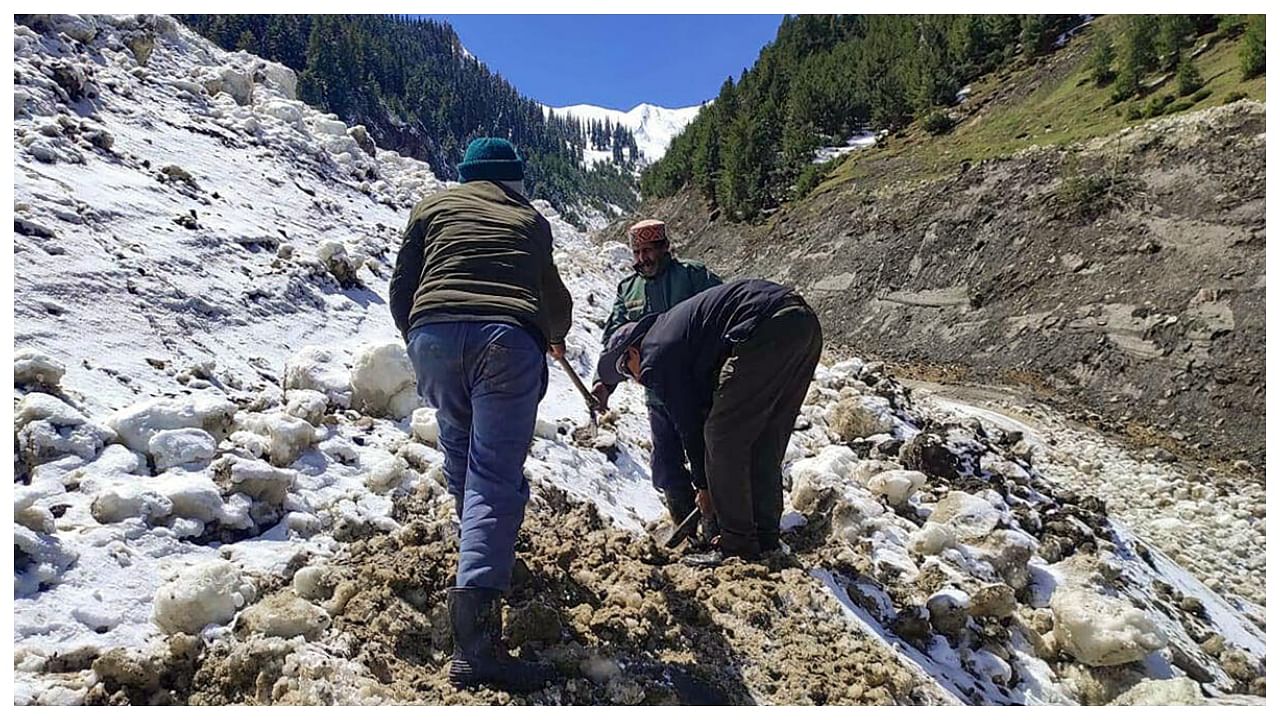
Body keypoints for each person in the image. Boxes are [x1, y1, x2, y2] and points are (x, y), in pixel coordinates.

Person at [390, 137, 570, 691]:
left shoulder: (432, 206)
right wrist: (554, 338)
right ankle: (477, 645)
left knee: (460, 453)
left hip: (433, 335)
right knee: (494, 476)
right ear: (513, 178)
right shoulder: (529, 219)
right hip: (506, 340)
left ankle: (479, 557)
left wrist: (424, 339)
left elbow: (402, 287)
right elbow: (555, 302)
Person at [596, 279, 823, 565]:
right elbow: (706, 404)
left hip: (764, 327)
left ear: (632, 352)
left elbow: (691, 426)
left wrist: (705, 487)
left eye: (626, 371)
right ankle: (764, 536)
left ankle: (737, 544)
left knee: (722, 436)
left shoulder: (656, 353)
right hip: (802, 324)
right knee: (763, 438)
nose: (637, 379)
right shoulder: (676, 334)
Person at [591, 219, 721, 528]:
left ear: (665, 248)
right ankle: (685, 527)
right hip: (657, 394)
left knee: (710, 459)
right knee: (666, 463)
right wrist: (603, 385)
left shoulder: (693, 276)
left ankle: (719, 525)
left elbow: (721, 315)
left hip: (699, 388)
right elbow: (615, 340)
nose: (641, 259)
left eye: (647, 251)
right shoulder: (629, 289)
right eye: (636, 253)